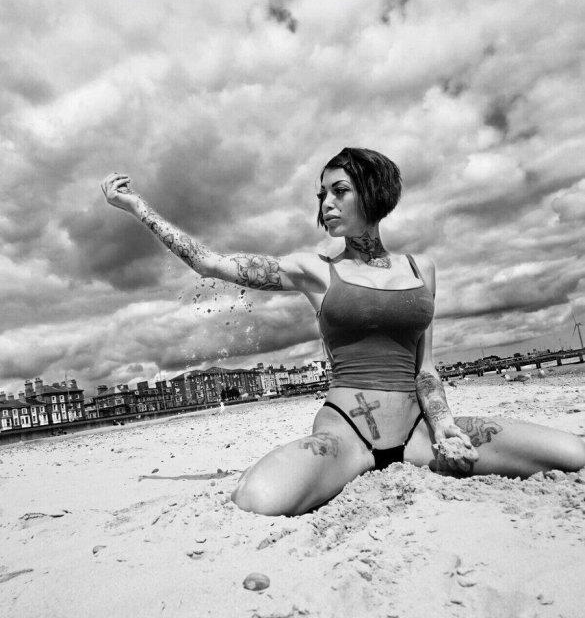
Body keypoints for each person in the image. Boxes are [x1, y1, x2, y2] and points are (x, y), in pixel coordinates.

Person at [101, 148, 585, 516]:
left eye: (339, 191)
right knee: (257, 497)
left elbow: (426, 368)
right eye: (322, 195)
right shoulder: (314, 269)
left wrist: (443, 425)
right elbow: (209, 263)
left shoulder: (422, 268)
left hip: (420, 433)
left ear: (373, 193)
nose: (326, 204)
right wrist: (137, 207)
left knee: (572, 454)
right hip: (348, 435)